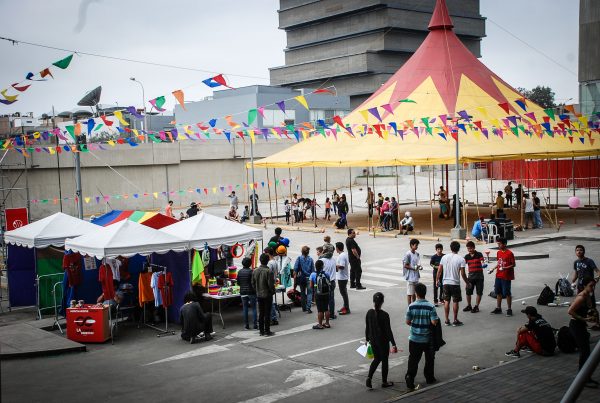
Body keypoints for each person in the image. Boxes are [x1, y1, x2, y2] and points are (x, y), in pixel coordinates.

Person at [405, 283, 439, 391]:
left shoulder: (411, 306)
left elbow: (407, 321)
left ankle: (410, 377)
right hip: (427, 339)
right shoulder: (430, 306)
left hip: (414, 338)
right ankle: (429, 378)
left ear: (416, 293)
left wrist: (415, 324)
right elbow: (434, 322)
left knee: (413, 360)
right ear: (425, 293)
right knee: (429, 359)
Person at [568, 278, 599, 388]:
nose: (593, 288)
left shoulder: (588, 295)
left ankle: (586, 377)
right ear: (584, 285)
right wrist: (584, 319)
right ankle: (583, 379)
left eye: (594, 286)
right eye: (591, 286)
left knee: (586, 352)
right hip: (576, 326)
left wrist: (594, 318)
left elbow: (591, 310)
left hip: (581, 326)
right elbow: (570, 311)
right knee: (585, 352)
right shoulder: (581, 297)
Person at [365, 292, 398, 389]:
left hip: (373, 340)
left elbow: (367, 327)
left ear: (373, 301)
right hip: (383, 342)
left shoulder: (369, 313)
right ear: (382, 302)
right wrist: (393, 344)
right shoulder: (385, 315)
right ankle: (384, 382)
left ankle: (369, 377)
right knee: (384, 360)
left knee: (376, 359)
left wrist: (367, 339)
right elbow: (388, 331)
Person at [436, 241, 468, 326]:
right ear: (459, 249)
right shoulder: (461, 259)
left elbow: (439, 270)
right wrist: (467, 282)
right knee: (455, 301)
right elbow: (463, 274)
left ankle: (446, 320)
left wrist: (437, 280)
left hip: (445, 283)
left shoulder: (444, 257)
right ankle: (455, 320)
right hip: (455, 283)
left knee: (446, 301)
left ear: (450, 248)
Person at [571, 244, 599, 330]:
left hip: (588, 286)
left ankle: (598, 323)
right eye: (577, 250)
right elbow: (576, 272)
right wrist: (573, 281)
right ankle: (583, 322)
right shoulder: (576, 262)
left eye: (581, 250)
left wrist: (596, 279)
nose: (579, 251)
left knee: (591, 305)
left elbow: (597, 271)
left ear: (584, 251)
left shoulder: (589, 261)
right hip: (580, 286)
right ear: (575, 252)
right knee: (581, 305)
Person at [489, 237, 516, 316]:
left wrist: (505, 268)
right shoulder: (498, 252)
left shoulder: (510, 253)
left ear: (504, 244)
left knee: (507, 293)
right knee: (498, 292)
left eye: (500, 244)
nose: (498, 245)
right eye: (498, 244)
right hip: (498, 275)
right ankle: (498, 308)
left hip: (506, 276)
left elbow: (513, 264)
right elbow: (499, 263)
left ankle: (509, 309)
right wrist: (493, 269)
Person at [251, 253, 275, 337]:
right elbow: (270, 285)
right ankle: (267, 330)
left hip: (259, 294)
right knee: (267, 313)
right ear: (267, 261)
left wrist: (257, 290)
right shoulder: (269, 271)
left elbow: (253, 283)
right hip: (267, 295)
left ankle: (261, 331)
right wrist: (272, 291)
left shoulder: (255, 271)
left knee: (261, 313)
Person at [463, 241, 485, 313]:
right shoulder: (466, 256)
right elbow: (462, 264)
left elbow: (482, 261)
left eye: (470, 248)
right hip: (470, 277)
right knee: (468, 292)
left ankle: (476, 306)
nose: (469, 250)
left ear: (474, 247)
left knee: (479, 292)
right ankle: (469, 305)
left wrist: (483, 264)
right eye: (468, 248)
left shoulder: (479, 254)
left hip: (479, 277)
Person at [237, 257, 257, 330]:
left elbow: (238, 282)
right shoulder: (252, 271)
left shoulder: (239, 272)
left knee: (245, 308)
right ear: (250, 264)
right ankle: (255, 325)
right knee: (254, 308)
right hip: (251, 292)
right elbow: (254, 282)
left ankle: (246, 325)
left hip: (243, 292)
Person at [310, 260, 331, 329]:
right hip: (326, 293)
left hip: (318, 294)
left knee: (320, 310)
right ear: (322, 266)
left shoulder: (313, 274)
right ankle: (327, 323)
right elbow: (329, 282)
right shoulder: (327, 274)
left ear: (315, 266)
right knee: (326, 308)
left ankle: (320, 324)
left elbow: (311, 286)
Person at [294, 246, 315, 313]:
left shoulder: (299, 258)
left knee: (302, 293)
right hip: (309, 278)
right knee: (309, 293)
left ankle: (304, 307)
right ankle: (308, 307)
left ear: (301, 251)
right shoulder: (311, 259)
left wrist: (295, 279)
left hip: (301, 278)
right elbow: (313, 270)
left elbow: (295, 269)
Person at [320, 243, 337, 320]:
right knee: (331, 299)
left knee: (323, 299)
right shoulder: (333, 259)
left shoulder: (321, 260)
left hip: (324, 282)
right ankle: (331, 314)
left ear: (325, 250)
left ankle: (324, 314)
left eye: (324, 249)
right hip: (332, 281)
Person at [403, 239, 421, 306]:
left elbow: (418, 263)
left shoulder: (417, 254)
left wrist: (419, 267)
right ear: (411, 245)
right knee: (410, 293)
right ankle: (409, 307)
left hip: (416, 276)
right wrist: (413, 268)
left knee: (414, 293)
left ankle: (414, 305)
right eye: (416, 245)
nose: (417, 247)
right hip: (410, 277)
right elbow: (405, 265)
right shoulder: (408, 254)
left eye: (417, 245)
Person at [336, 242, 350, 315]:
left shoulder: (341, 256)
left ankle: (347, 308)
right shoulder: (344, 254)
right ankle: (345, 306)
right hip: (343, 276)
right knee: (344, 292)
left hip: (342, 277)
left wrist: (336, 266)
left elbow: (342, 266)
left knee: (343, 293)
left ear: (337, 248)